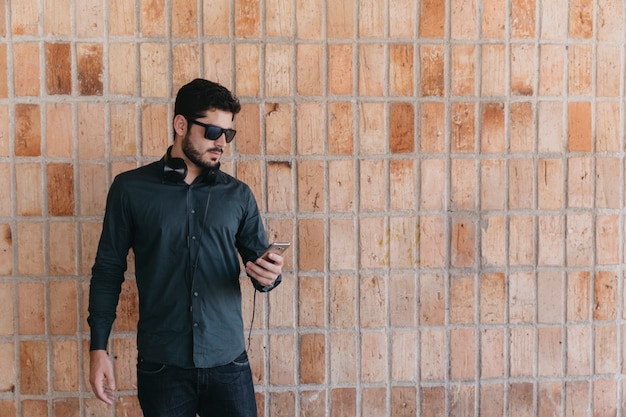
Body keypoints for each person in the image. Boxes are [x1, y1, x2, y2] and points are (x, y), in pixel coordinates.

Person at [87, 78, 284, 417]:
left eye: (228, 134)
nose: (221, 142)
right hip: (163, 365)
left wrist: (269, 275)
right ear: (181, 124)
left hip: (228, 362)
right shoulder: (130, 190)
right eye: (212, 131)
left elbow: (261, 267)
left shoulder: (238, 195)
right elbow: (107, 271)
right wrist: (98, 348)